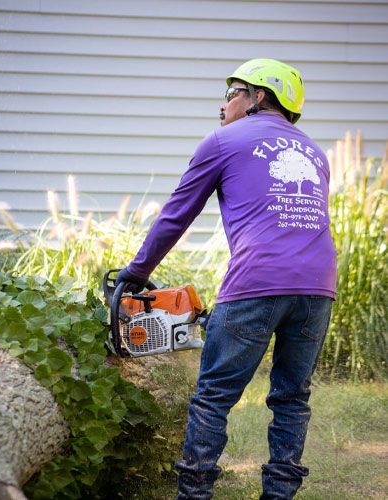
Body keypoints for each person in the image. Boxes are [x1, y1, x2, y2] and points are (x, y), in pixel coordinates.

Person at [116, 58, 336, 499]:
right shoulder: (314, 152)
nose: (222, 104)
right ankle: (279, 494)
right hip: (318, 287)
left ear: (259, 96)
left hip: (257, 282)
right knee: (293, 397)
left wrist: (137, 272)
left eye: (232, 93)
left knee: (214, 395)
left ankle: (194, 494)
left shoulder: (222, 142)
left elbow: (176, 214)